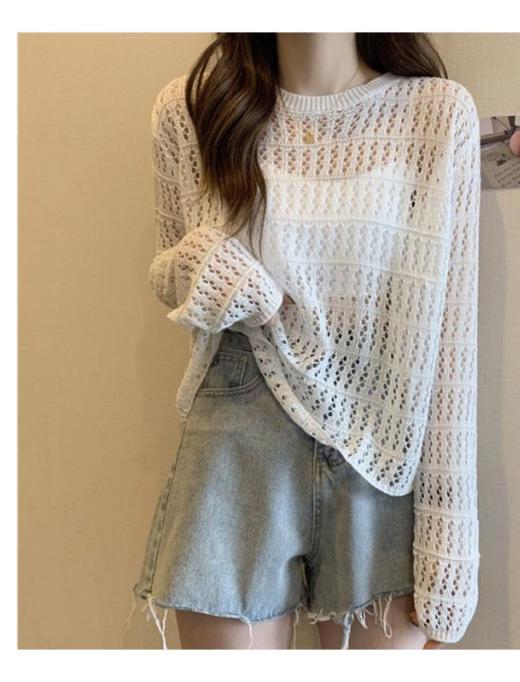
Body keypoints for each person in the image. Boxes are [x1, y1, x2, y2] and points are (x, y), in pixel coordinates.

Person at [127, 32, 481, 650]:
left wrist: (450, 530)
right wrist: (212, 266)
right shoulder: (191, 110)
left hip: (381, 449)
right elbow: (170, 274)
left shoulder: (436, 113)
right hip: (238, 439)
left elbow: (450, 343)